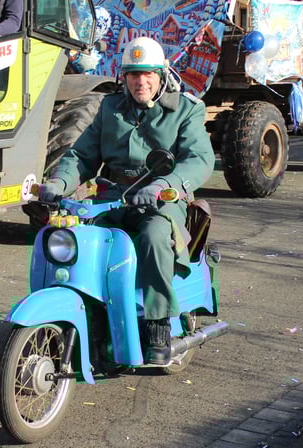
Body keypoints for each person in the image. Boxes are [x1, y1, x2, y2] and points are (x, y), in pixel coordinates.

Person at [39, 37, 215, 366]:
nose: (140, 82)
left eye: (147, 74)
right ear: (124, 77)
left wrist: (167, 183)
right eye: (133, 74)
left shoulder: (187, 110)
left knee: (153, 237)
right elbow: (82, 154)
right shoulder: (111, 108)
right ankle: (87, 313)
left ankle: (158, 323)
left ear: (161, 75)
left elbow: (199, 159)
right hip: (112, 200)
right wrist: (60, 181)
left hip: (161, 201)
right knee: (78, 239)